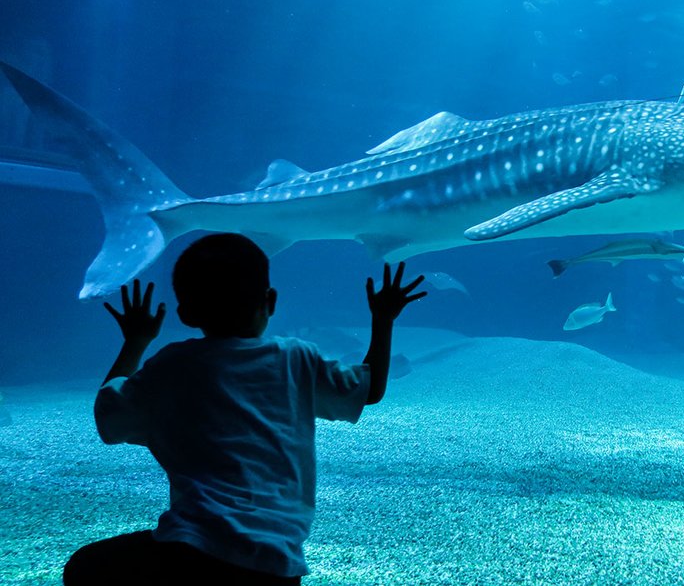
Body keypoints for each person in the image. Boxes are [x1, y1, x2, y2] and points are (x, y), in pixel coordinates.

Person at [63, 233, 425, 585]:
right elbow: (370, 390)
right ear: (270, 302)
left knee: (86, 567)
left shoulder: (171, 365)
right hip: (277, 560)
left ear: (185, 313)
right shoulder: (296, 358)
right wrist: (383, 320)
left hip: (192, 550)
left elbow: (108, 417)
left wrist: (136, 341)